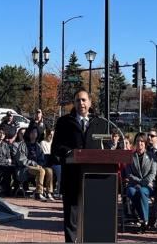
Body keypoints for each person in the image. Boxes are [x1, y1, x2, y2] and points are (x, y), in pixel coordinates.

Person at [51, 88, 109, 243]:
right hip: (72, 176)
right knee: (71, 218)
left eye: (84, 100)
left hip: (94, 178)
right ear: (74, 103)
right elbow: (56, 148)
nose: (81, 103)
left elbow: (108, 145)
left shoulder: (100, 122)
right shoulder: (64, 122)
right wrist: (70, 152)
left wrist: (113, 145)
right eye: (77, 100)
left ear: (90, 102)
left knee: (93, 217)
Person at [122, 132, 157, 233]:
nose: (140, 143)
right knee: (131, 192)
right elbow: (129, 174)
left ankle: (144, 221)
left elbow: (152, 173)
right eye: (137, 141)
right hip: (133, 185)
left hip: (147, 185)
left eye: (142, 141)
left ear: (145, 143)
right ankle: (145, 220)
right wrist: (139, 182)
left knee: (142, 192)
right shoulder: (130, 156)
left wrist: (142, 183)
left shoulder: (151, 156)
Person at [15, 126, 54, 201]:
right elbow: (21, 160)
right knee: (41, 171)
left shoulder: (38, 146)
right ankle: (38, 193)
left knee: (49, 170)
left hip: (37, 167)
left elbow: (42, 159)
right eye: (32, 132)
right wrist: (34, 164)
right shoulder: (22, 145)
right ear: (28, 134)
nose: (34, 134)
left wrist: (39, 165)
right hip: (25, 168)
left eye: (35, 132)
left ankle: (49, 192)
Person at [40, 128, 61, 197]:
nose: (51, 136)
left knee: (61, 169)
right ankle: (55, 191)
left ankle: (59, 191)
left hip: (54, 163)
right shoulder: (43, 142)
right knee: (57, 170)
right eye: (50, 134)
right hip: (47, 163)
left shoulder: (55, 143)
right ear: (47, 134)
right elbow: (46, 154)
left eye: (52, 134)